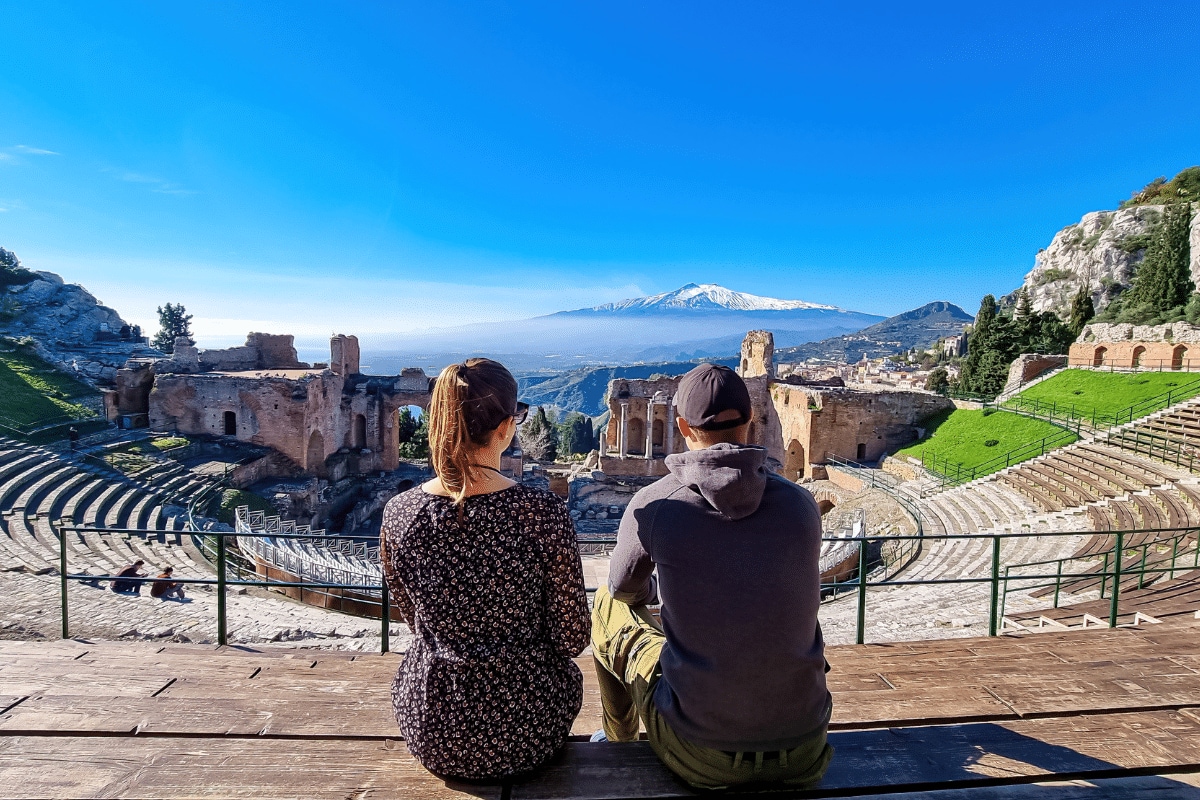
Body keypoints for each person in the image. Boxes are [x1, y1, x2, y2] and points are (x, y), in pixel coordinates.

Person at [591, 363, 833, 791]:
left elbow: (624, 588)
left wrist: (655, 592)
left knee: (605, 608)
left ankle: (618, 740)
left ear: (682, 426)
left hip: (702, 755)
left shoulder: (658, 504)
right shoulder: (801, 505)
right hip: (805, 750)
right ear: (751, 420)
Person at [380, 358, 590, 781]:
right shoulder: (540, 513)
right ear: (505, 428)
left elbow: (414, 619)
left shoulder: (399, 513)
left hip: (432, 727)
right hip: (527, 731)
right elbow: (572, 638)